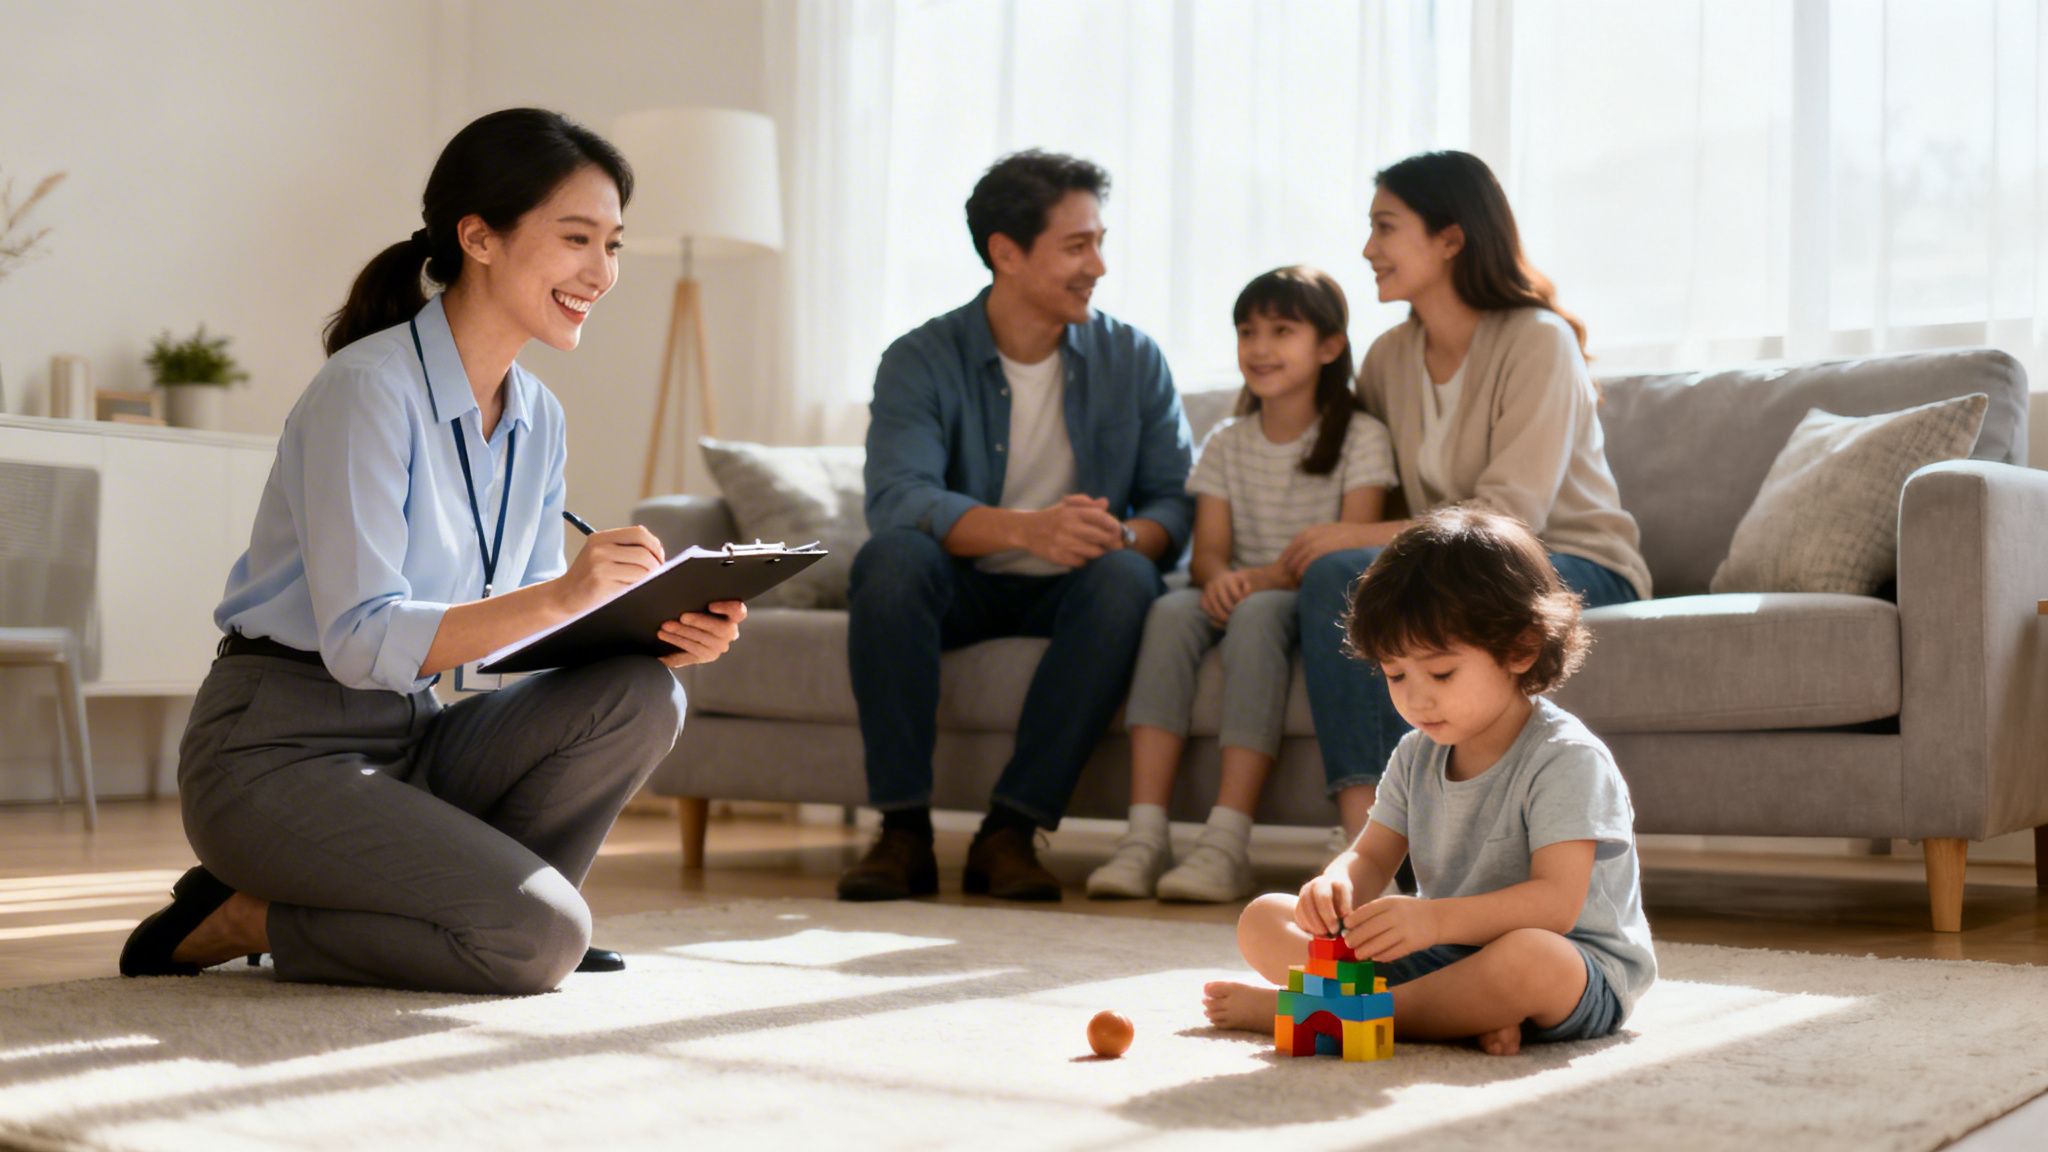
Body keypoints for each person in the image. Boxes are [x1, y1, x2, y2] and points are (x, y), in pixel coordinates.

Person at [117, 108, 746, 995]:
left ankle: (514, 906)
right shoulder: (367, 391)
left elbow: (511, 652)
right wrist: (567, 593)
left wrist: (645, 629)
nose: (600, 273)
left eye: (612, 245)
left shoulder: (538, 417)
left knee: (643, 692)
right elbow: (362, 641)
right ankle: (248, 914)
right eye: (577, 239)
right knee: (535, 944)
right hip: (275, 755)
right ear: (479, 237)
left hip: (412, 736)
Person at [837, 150, 1194, 904]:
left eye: (1099, 241)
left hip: (1078, 587)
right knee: (890, 559)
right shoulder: (920, 359)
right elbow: (898, 499)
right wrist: (1027, 531)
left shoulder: (1133, 359)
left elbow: (1173, 503)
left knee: (1129, 576)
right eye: (1076, 245)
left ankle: (1011, 830)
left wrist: (1120, 537)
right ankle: (903, 831)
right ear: (1006, 252)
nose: (1098, 264)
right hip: (960, 581)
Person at [1285, 150, 1652, 843]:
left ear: (1450, 239)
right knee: (1334, 581)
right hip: (1449, 563)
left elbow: (1514, 516)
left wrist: (1345, 540)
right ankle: (1368, 851)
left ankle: (1370, 844)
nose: (1368, 249)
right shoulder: (1389, 357)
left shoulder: (1538, 341)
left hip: (1569, 563)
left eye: (1385, 227)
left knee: (1344, 568)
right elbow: (1353, 467)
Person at [1203, 507, 1656, 1055]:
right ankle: (1456, 1016)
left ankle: (1336, 1016)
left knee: (1527, 959)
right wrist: (1334, 887)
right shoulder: (1417, 753)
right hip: (1446, 955)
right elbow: (1370, 858)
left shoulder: (1566, 758)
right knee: (1264, 919)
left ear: (1521, 649)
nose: (1416, 699)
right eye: (1396, 675)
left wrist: (1435, 919)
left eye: (1441, 673)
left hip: (1575, 965)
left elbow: (1555, 904)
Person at [1086, 267, 1394, 904]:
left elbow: (1355, 542)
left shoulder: (1361, 436)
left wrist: (1261, 581)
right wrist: (1221, 577)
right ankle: (1143, 836)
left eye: (1282, 331)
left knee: (1256, 617)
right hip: (1239, 584)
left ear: (1330, 346)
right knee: (1169, 612)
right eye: (1247, 331)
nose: (1259, 347)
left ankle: (1226, 841)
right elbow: (1210, 552)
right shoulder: (1226, 442)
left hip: (1296, 592)